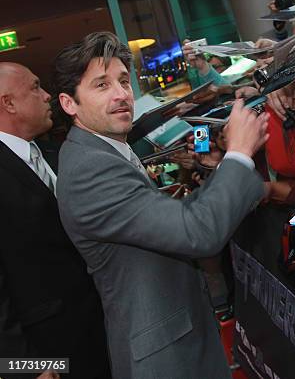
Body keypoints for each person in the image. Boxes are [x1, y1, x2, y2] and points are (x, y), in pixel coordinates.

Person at [53, 32, 269, 379]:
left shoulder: (105, 151)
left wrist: (218, 170)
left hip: (178, 339)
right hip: (165, 357)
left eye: (124, 81)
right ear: (69, 103)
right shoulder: (89, 168)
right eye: (101, 85)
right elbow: (197, 232)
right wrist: (239, 154)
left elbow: (179, 224)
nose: (121, 94)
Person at [0, 62, 110, 378]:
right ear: (8, 103)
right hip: (49, 354)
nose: (47, 95)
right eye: (35, 87)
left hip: (98, 329)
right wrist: (24, 368)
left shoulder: (53, 153)